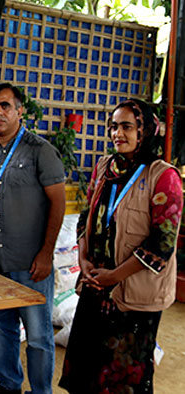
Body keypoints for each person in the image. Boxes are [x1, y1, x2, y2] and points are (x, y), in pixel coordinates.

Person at [59, 99, 182, 393]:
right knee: (87, 371)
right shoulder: (105, 167)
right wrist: (84, 260)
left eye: (127, 126)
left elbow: (161, 242)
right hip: (95, 287)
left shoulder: (163, 176)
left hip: (133, 296)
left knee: (123, 378)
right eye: (113, 126)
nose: (117, 133)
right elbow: (86, 218)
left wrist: (114, 276)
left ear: (146, 130)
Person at [0, 82, 65, 394]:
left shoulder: (40, 151)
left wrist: (46, 253)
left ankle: (41, 390)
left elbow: (58, 203)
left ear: (20, 111)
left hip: (31, 263)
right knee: (2, 328)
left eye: (5, 106)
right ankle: (9, 385)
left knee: (38, 335)